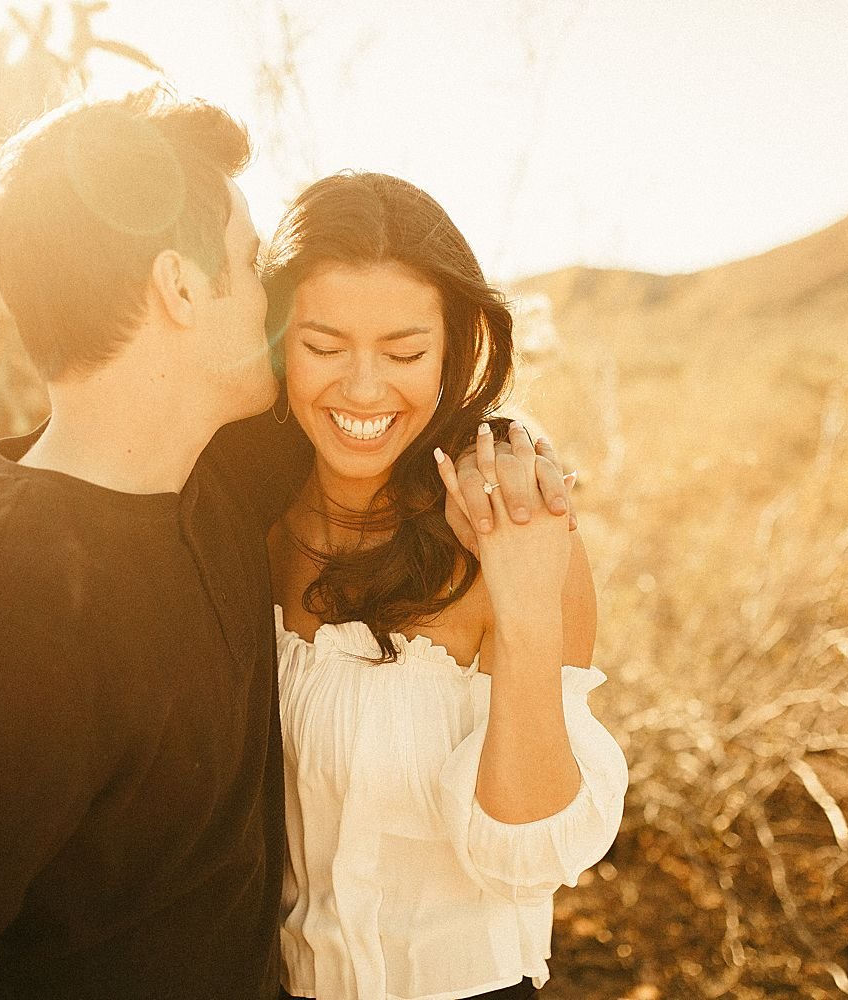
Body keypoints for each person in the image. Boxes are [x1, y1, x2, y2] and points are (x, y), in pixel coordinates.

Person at [0, 91, 569, 999]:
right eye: (252, 265)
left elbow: (373, 405)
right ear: (180, 287)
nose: (271, 301)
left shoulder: (218, 483)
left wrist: (505, 454)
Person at [261, 172, 629, 1000]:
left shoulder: (518, 519)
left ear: (455, 346)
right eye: (324, 347)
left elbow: (526, 849)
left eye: (403, 352)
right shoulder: (249, 522)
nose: (362, 389)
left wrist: (526, 601)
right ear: (279, 340)